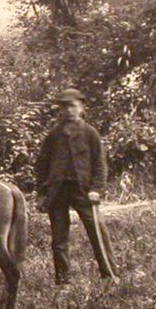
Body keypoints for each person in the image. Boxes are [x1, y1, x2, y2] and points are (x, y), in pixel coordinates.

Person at [34, 87, 118, 284]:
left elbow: (100, 164)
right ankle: (63, 281)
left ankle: (110, 274)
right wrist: (41, 192)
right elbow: (41, 165)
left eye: (72, 106)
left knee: (97, 232)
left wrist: (96, 189)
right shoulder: (53, 135)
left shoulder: (90, 133)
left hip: (84, 191)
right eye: (64, 107)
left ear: (81, 107)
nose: (68, 111)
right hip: (58, 192)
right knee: (59, 240)